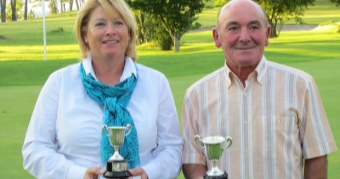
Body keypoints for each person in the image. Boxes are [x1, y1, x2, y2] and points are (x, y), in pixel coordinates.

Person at [22, 0, 183, 178]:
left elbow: (173, 149)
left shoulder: (156, 82)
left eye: (118, 23)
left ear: (129, 32)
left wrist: (149, 173)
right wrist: (77, 174)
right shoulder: (60, 83)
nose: (110, 31)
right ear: (85, 35)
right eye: (100, 24)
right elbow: (34, 149)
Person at [181, 0, 337, 178]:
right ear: (217, 37)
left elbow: (316, 156)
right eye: (233, 28)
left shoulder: (300, 85)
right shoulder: (196, 95)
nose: (245, 37)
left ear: (267, 34)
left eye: (254, 27)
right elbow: (193, 160)